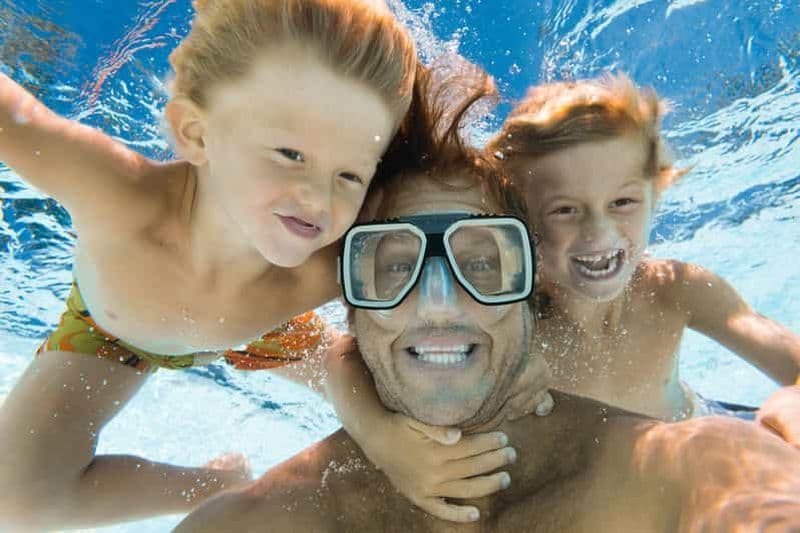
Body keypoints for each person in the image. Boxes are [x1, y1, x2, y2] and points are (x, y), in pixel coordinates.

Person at [175, 71, 800, 532]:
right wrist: (379, 434)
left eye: (481, 261)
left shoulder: (698, 430)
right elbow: (339, 356)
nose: (441, 301)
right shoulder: (258, 518)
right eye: (393, 266)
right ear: (347, 290)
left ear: (527, 282)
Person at [0, 0, 423, 527]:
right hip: (113, 333)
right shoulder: (119, 195)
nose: (318, 197)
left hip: (268, 333)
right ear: (196, 134)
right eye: (290, 154)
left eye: (350, 176)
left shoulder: (332, 262)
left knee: (414, 397)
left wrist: (384, 438)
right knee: (17, 500)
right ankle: (211, 485)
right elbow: (16, 118)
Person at [486, 74, 800, 426]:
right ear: (519, 217)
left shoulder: (675, 290)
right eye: (565, 210)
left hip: (703, 432)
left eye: (622, 202)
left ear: (656, 195)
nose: (598, 231)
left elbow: (792, 362)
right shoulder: (515, 335)